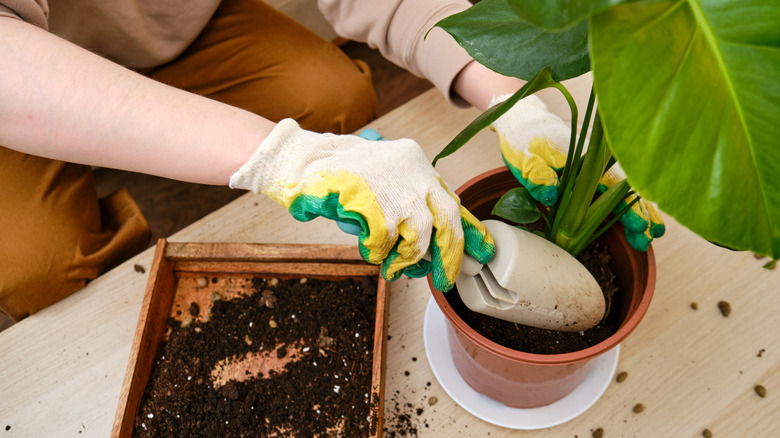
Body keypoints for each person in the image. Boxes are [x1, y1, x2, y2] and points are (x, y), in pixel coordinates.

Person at [0, 0, 524, 322]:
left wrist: (514, 106)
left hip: (177, 36)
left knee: (331, 98)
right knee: (39, 268)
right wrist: (283, 158)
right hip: (23, 70)